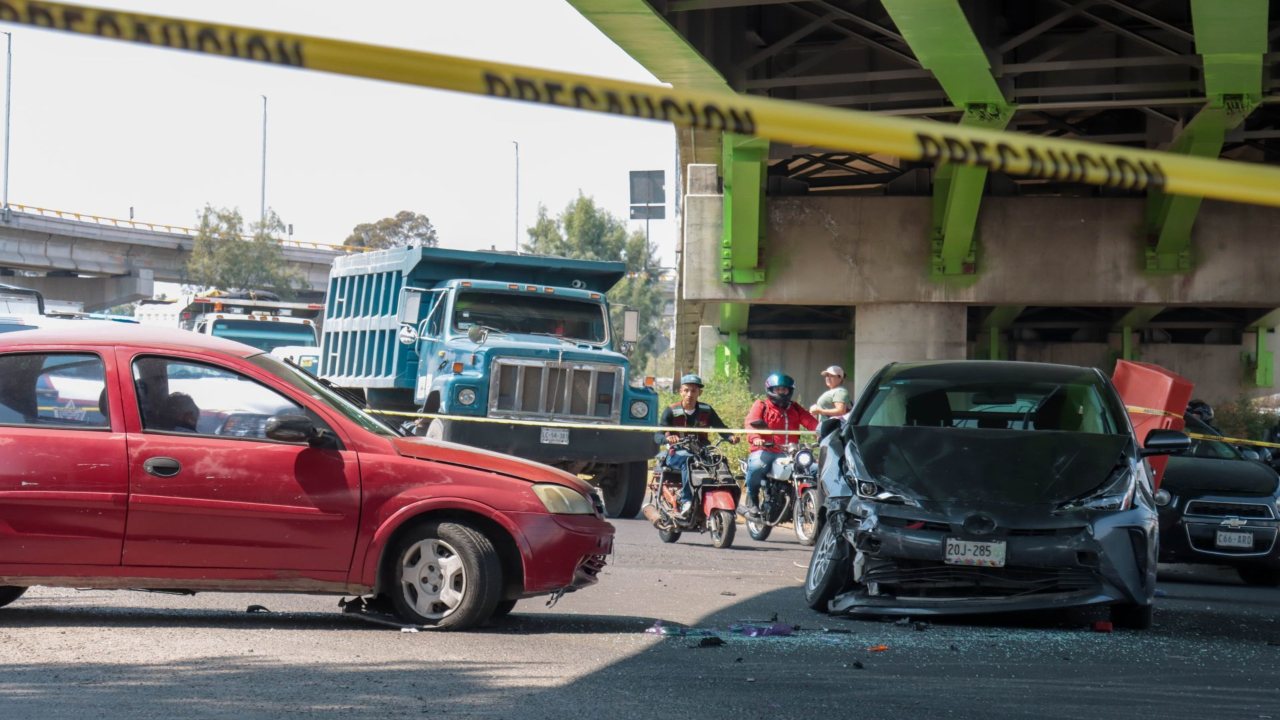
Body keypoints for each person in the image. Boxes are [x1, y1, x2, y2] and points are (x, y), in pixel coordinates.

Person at [656, 374, 737, 517]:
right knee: (689, 461)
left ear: (700, 393)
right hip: (678, 452)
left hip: (701, 450)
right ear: (680, 391)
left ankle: (728, 495)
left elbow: (720, 427)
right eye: (686, 390)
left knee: (719, 459)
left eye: (694, 391)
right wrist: (669, 439)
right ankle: (686, 500)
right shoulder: (671, 411)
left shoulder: (707, 410)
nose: (690, 394)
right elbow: (657, 435)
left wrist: (730, 436)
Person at [742, 372, 818, 515]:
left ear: (790, 391)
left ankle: (819, 503)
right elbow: (750, 422)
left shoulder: (795, 408)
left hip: (791, 452)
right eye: (779, 389)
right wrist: (756, 438)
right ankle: (752, 498)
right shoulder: (761, 405)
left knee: (815, 469)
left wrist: (821, 433)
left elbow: (810, 422)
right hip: (767, 449)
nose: (782, 392)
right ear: (771, 390)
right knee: (757, 465)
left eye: (785, 389)